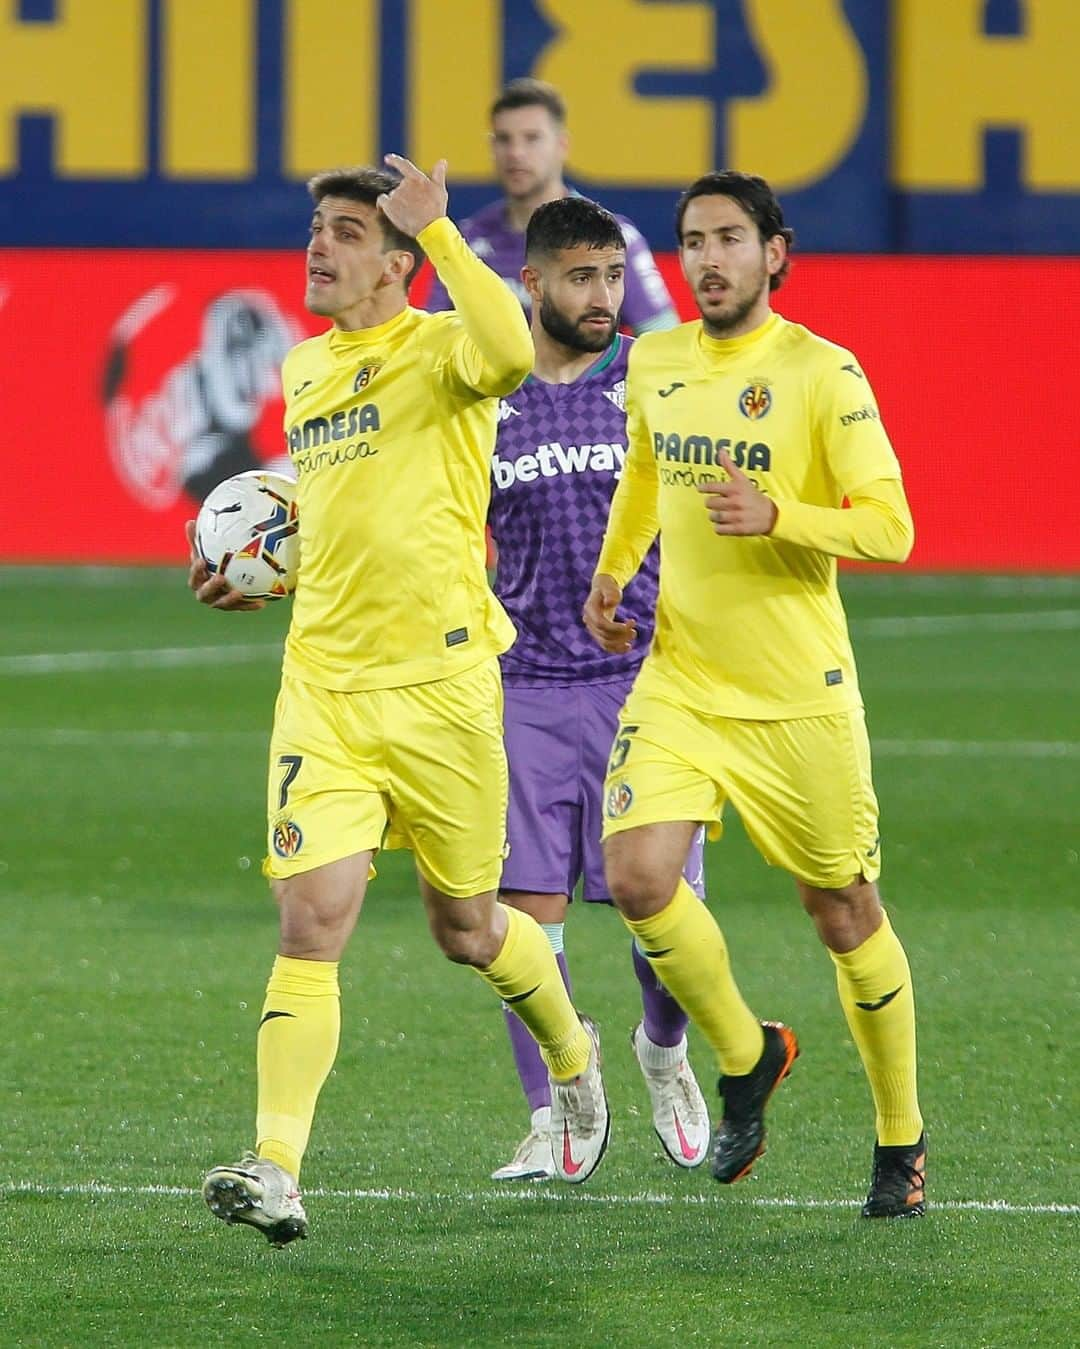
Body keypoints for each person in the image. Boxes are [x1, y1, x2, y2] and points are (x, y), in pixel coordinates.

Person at [189, 157, 612, 1248]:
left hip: (445, 690)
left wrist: (441, 236)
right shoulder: (306, 369)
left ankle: (573, 1049)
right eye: (314, 230)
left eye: (342, 231)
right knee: (310, 919)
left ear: (391, 259)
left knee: (467, 929)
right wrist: (261, 574)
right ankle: (276, 1164)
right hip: (324, 691)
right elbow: (335, 513)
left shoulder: (445, 347)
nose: (318, 248)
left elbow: (519, 349)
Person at [583, 170, 926, 1219]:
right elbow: (645, 471)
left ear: (774, 252)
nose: (709, 259)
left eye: (731, 238)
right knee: (638, 877)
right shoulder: (656, 358)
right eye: (693, 241)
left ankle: (900, 1136)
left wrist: (782, 510)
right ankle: (747, 1053)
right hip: (681, 676)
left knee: (842, 907)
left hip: (797, 696)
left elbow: (891, 527)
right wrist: (612, 570)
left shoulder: (824, 372)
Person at [486, 195, 710, 1182]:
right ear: (532, 285)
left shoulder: (651, 381)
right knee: (524, 922)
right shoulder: (488, 397)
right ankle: (557, 1101)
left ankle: (663, 1053)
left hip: (644, 684)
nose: (603, 295)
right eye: (581, 277)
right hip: (526, 683)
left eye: (613, 275)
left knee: (659, 908)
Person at [426, 78, 679, 335]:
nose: (516, 152)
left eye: (531, 138)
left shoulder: (612, 236)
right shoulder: (467, 239)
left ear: (562, 145)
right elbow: (432, 340)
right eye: (504, 139)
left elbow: (663, 341)